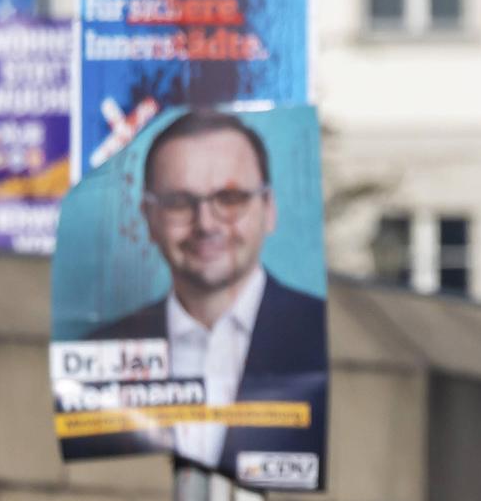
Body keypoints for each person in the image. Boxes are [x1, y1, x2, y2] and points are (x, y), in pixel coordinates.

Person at [75, 107, 330, 481]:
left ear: (269, 209)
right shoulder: (100, 354)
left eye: (229, 199)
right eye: (179, 202)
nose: (206, 224)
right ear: (148, 218)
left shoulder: (321, 338)